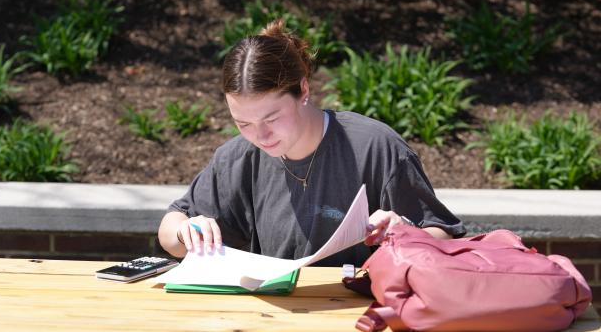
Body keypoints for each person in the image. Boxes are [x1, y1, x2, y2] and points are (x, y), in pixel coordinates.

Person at [158, 19, 465, 266]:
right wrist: (185, 232)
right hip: (274, 313)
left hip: (363, 308)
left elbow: (446, 238)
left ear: (303, 90)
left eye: (272, 118)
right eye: (243, 123)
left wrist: (406, 232)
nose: (260, 136)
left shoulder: (376, 147)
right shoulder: (239, 156)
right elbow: (170, 229)